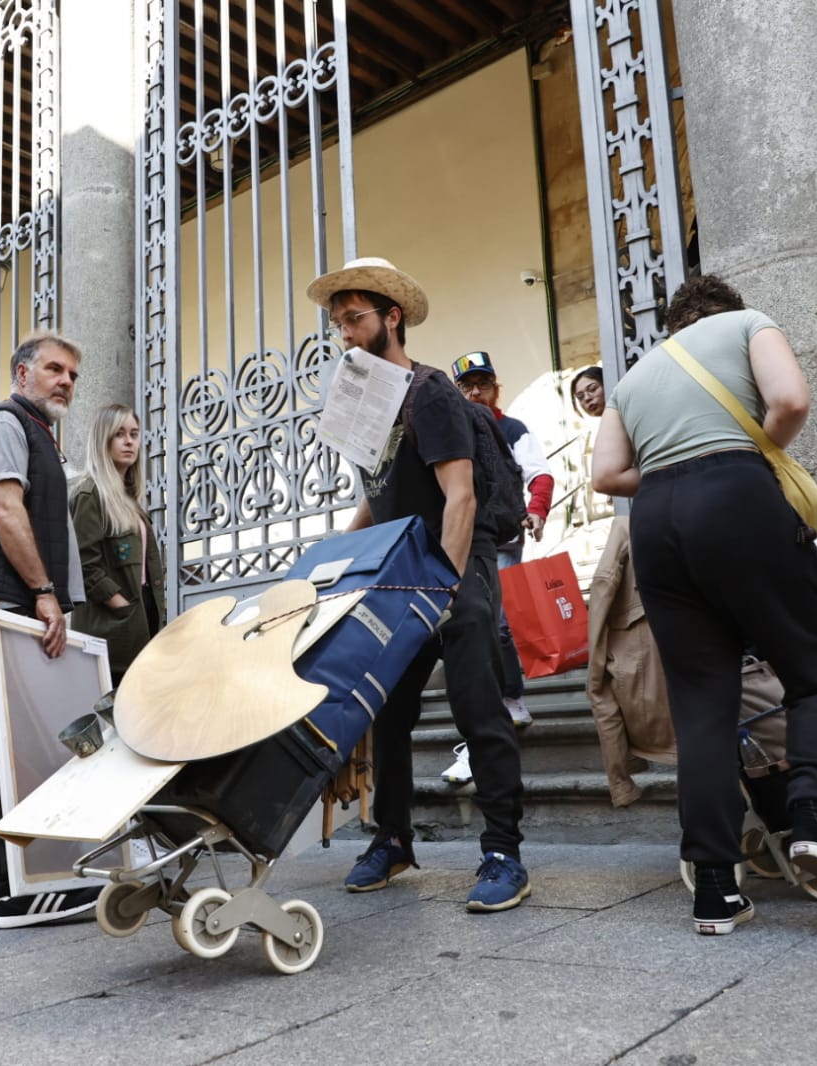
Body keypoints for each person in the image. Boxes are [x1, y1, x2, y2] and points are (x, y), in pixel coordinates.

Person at [592, 274, 817, 937]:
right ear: (723, 311)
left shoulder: (632, 380)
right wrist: (749, 454)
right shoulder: (748, 324)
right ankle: (814, 825)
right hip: (736, 495)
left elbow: (606, 476)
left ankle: (715, 889)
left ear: (674, 325)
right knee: (814, 675)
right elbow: (789, 399)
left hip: (655, 522)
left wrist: (672, 473)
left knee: (701, 707)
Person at [306, 256, 529, 913]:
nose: (343, 332)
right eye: (336, 321)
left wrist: (448, 587)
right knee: (388, 714)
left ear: (391, 317)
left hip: (457, 563)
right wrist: (341, 555)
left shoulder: (429, 392)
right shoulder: (364, 400)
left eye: (354, 318)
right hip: (403, 571)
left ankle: (502, 853)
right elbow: (382, 499)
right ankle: (393, 839)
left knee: (477, 707)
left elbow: (457, 498)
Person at [0, 331, 99, 929]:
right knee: (19, 746)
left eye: (73, 375)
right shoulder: (6, 423)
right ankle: (24, 888)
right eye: (55, 369)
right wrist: (43, 592)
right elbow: (5, 509)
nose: (66, 381)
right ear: (21, 373)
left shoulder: (37, 433)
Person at [440, 351, 554, 785]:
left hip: (501, 536)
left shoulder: (512, 428)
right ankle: (488, 712)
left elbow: (538, 474)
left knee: (500, 622)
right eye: (467, 386)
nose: (474, 392)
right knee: (478, 624)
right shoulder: (450, 430)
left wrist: (537, 511)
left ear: (495, 387)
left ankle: (510, 697)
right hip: (459, 540)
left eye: (482, 384)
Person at [69, 403, 166, 685]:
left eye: (134, 434)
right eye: (119, 434)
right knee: (113, 713)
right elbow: (85, 565)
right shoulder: (90, 495)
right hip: (112, 626)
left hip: (142, 615)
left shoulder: (130, 502)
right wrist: (122, 606)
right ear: (103, 440)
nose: (129, 442)